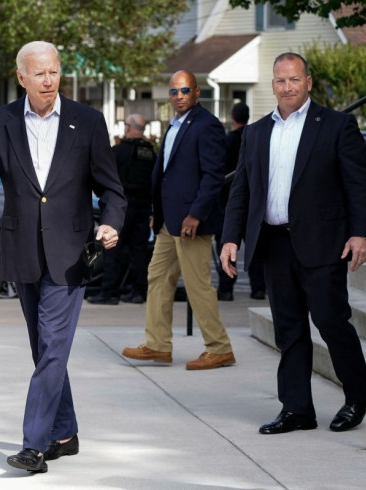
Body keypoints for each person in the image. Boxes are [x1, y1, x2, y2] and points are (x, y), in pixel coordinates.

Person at [0, 41, 126, 474]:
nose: (49, 80)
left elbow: (111, 188)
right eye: (40, 74)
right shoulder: (1, 121)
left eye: (54, 72)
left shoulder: (87, 122)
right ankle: (65, 433)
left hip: (70, 254)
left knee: (52, 346)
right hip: (22, 250)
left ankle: (34, 446)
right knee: (43, 347)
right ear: (22, 78)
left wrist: (111, 222)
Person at [221, 52, 366, 434]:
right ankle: (297, 409)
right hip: (274, 244)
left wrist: (360, 233)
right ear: (272, 85)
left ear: (308, 82)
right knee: (288, 329)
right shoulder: (256, 133)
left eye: (294, 79)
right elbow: (242, 190)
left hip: (323, 243)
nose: (287, 87)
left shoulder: (337, 125)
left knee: (330, 322)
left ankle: (357, 398)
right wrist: (229, 238)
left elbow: (358, 184)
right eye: (279, 80)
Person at [122, 70, 236, 371]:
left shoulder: (207, 125)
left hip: (190, 222)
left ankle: (219, 347)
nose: (179, 96)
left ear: (197, 92)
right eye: (174, 92)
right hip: (166, 222)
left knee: (198, 285)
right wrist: (155, 214)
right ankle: (158, 345)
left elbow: (213, 176)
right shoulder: (174, 125)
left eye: (185, 90)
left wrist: (196, 214)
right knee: (157, 278)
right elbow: (165, 175)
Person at [88, 113, 155, 305]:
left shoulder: (119, 152)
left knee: (112, 250)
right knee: (139, 251)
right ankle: (138, 292)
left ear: (128, 127)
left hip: (121, 208)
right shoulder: (151, 153)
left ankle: (109, 292)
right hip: (143, 208)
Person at [216, 102, 266, 301]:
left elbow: (220, 169)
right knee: (254, 249)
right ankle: (258, 288)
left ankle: (226, 289)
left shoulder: (228, 141)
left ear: (233, 118)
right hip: (253, 202)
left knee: (227, 247)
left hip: (230, 202)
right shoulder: (257, 139)